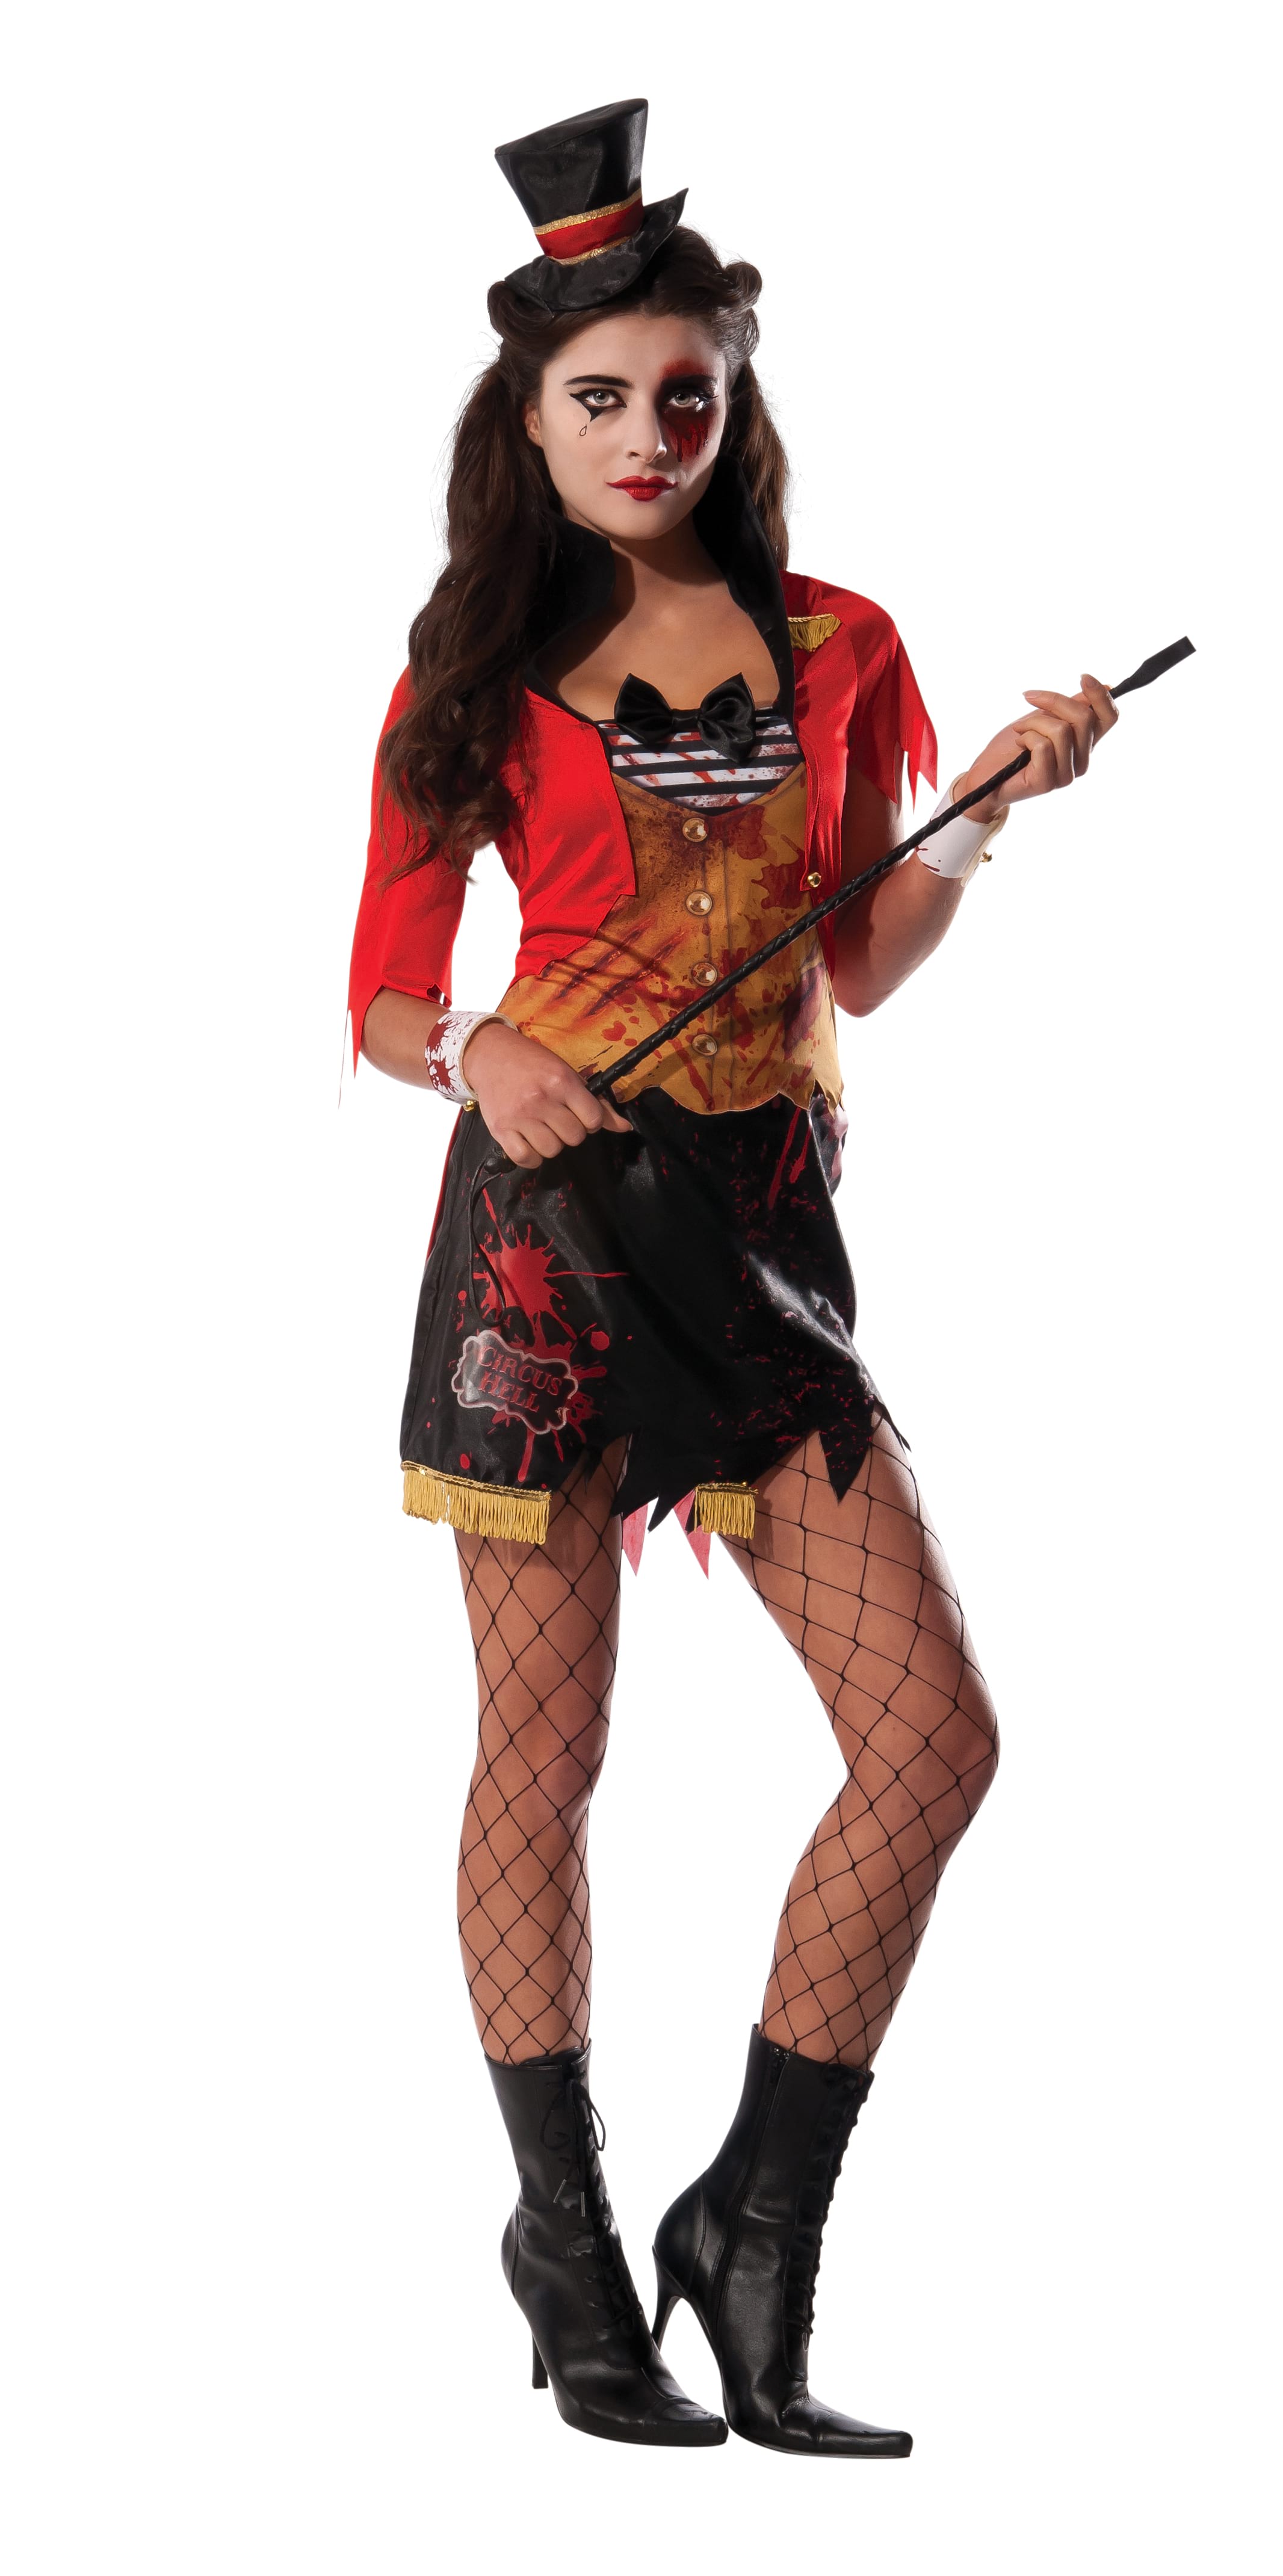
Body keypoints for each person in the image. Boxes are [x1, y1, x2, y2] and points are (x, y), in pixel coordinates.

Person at [347, 99, 1118, 2455]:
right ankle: (567, 2241)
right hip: (546, 1242)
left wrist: (979, 815)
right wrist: (472, 1048)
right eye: (600, 397)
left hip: (758, 1235)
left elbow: (855, 966)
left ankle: (752, 2230)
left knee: (930, 1738)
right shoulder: (476, 663)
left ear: (730, 397)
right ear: (529, 417)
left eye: (683, 393)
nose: (646, 434)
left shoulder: (838, 643)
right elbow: (379, 992)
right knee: (544, 1750)